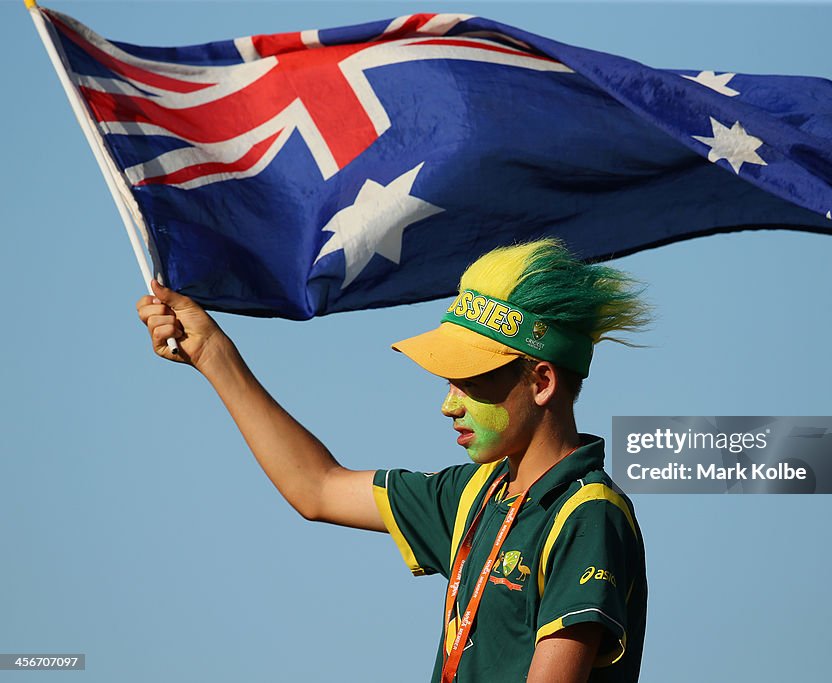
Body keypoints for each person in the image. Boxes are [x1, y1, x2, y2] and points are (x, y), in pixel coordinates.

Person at [136, 238, 650, 682]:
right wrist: (213, 355)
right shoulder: (477, 493)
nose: (449, 404)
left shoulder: (587, 513)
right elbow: (316, 487)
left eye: (470, 380)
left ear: (541, 382)